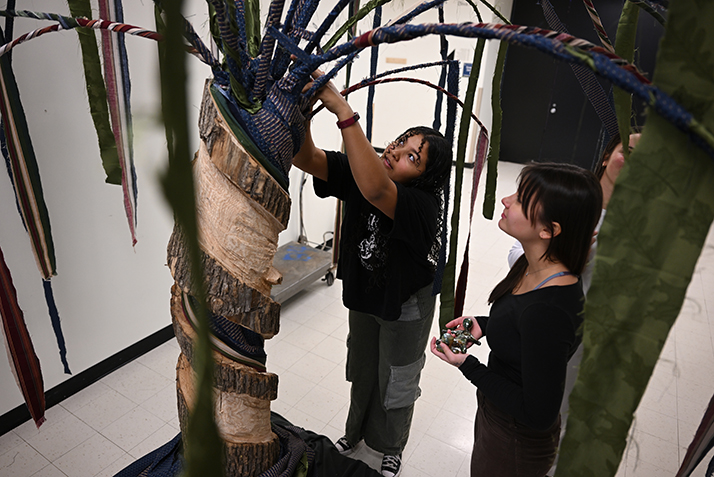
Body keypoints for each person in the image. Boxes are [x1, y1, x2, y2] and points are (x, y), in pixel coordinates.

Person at [292, 70, 452, 477]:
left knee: (396, 380)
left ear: (425, 177)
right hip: (367, 295)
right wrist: (303, 113)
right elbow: (307, 159)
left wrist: (344, 111)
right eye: (401, 143)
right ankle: (356, 432)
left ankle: (390, 445)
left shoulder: (423, 204)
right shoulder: (368, 168)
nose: (397, 152)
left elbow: (378, 192)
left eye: (412, 157)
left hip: (406, 302)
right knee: (362, 368)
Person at [430, 162, 602, 477]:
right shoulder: (532, 264)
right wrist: (484, 323)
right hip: (498, 414)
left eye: (521, 199)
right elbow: (521, 328)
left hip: (516, 438)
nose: (507, 200)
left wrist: (467, 365)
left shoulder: (548, 312)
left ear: (549, 230)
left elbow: (538, 414)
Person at [507, 131, 642, 292]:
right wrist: (562, 260)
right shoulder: (570, 196)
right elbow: (515, 256)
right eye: (629, 152)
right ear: (606, 157)